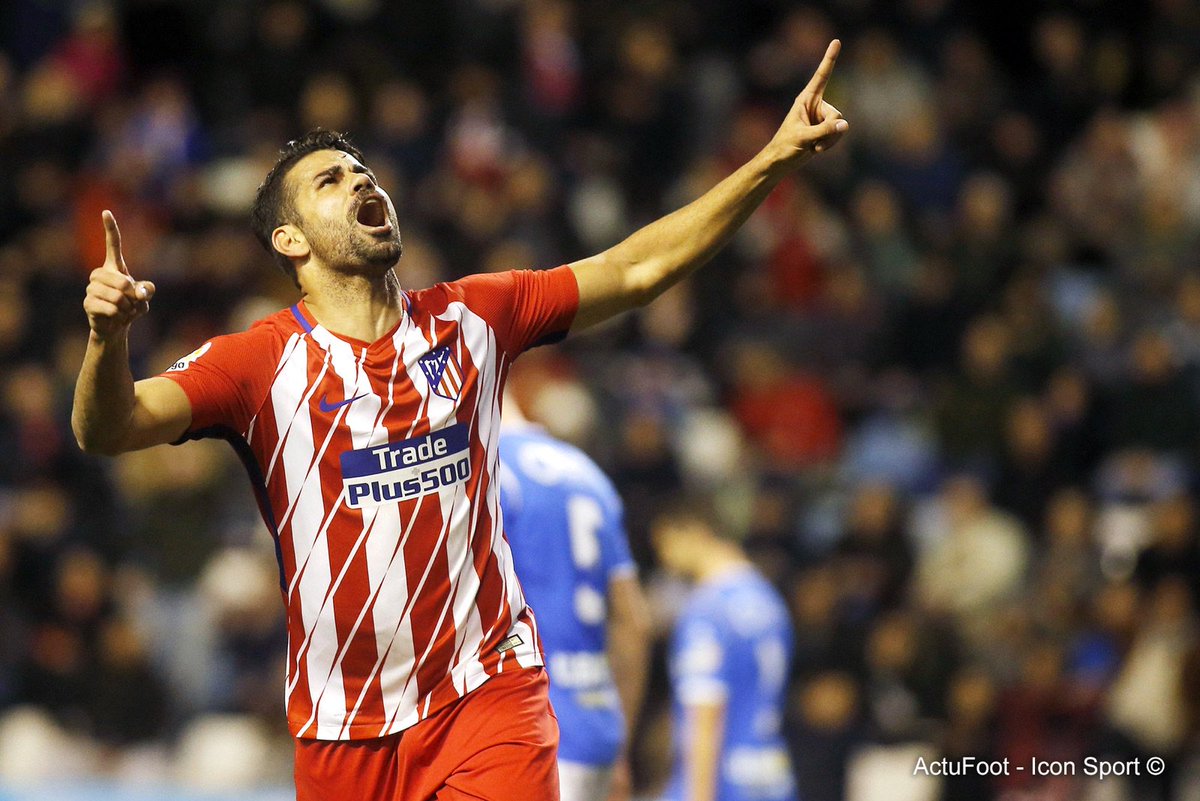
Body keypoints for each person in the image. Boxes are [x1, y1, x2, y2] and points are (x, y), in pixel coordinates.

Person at [71, 40, 848, 801]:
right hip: (343, 728)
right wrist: (107, 342)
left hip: (489, 694)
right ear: (290, 240)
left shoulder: (474, 316)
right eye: (330, 180)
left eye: (363, 171)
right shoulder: (258, 363)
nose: (359, 180)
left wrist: (773, 161)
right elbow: (107, 429)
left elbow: (635, 268)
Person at [498, 404, 651, 801]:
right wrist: (620, 746)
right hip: (597, 724)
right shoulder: (588, 475)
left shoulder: (484, 468)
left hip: (525, 734)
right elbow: (633, 620)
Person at [652, 504, 797, 801]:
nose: (664, 558)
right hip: (770, 777)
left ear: (694, 533)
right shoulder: (770, 602)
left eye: (665, 544)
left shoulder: (707, 612)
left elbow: (705, 716)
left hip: (725, 782)